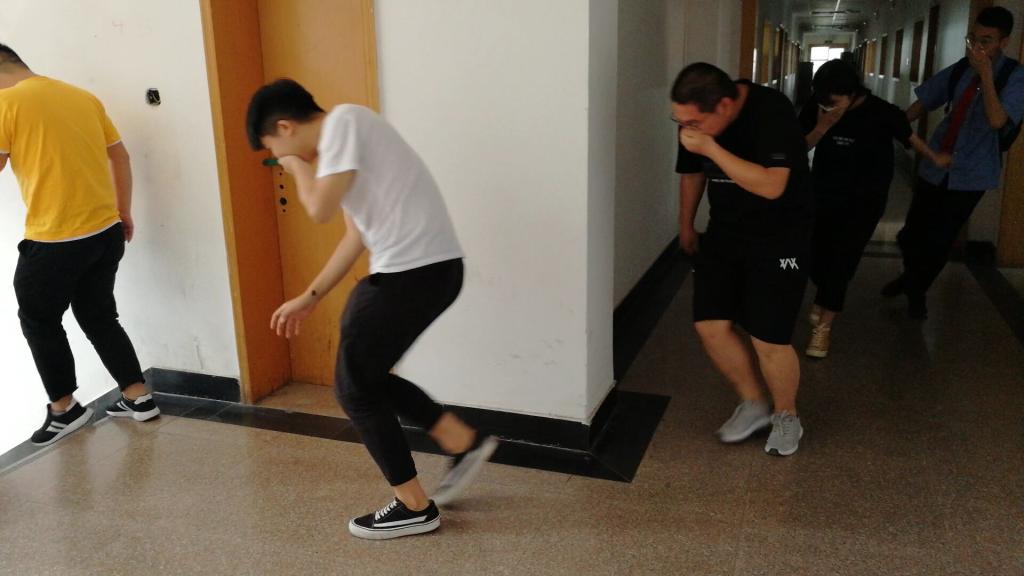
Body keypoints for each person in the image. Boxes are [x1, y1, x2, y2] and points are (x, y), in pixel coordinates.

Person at [246, 79, 498, 540]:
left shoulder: (345, 121)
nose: (278, 158)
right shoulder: (346, 145)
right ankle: (461, 440)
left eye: (273, 149)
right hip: (425, 271)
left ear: (284, 127)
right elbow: (354, 235)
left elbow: (319, 209)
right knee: (367, 377)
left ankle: (414, 506)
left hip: (413, 272)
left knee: (354, 389)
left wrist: (293, 166)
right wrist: (310, 296)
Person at [0, 44, 159, 447]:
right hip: (105, 232)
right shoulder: (81, 97)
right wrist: (123, 211)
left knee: (38, 319)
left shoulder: (5, 104)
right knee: (99, 315)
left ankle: (65, 409)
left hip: (55, 239)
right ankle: (138, 396)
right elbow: (120, 157)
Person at [672, 63, 810, 457]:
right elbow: (692, 174)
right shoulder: (695, 120)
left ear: (724, 106)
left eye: (694, 122)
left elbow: (772, 185)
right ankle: (753, 403)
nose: (687, 130)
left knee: (769, 337)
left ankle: (787, 415)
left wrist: (712, 148)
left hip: (781, 235)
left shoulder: (771, 111)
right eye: (680, 121)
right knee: (710, 325)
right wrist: (686, 225)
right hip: (725, 231)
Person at [799, 60, 950, 358]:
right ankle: (823, 296)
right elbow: (800, 146)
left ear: (853, 93)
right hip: (823, 195)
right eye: (824, 102)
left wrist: (935, 158)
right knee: (816, 257)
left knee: (842, 261)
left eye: (835, 103)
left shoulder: (882, 112)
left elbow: (909, 137)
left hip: (865, 201)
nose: (829, 107)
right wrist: (822, 126)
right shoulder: (818, 107)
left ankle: (823, 328)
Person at [884, 6, 1024, 319]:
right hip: (935, 163)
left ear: (1003, 42)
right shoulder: (961, 68)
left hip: (973, 173)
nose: (977, 47)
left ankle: (916, 291)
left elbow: (997, 120)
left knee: (941, 239)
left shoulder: (1016, 78)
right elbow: (924, 102)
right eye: (973, 39)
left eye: (986, 41)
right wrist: (893, 125)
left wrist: (986, 75)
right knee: (911, 233)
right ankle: (911, 278)